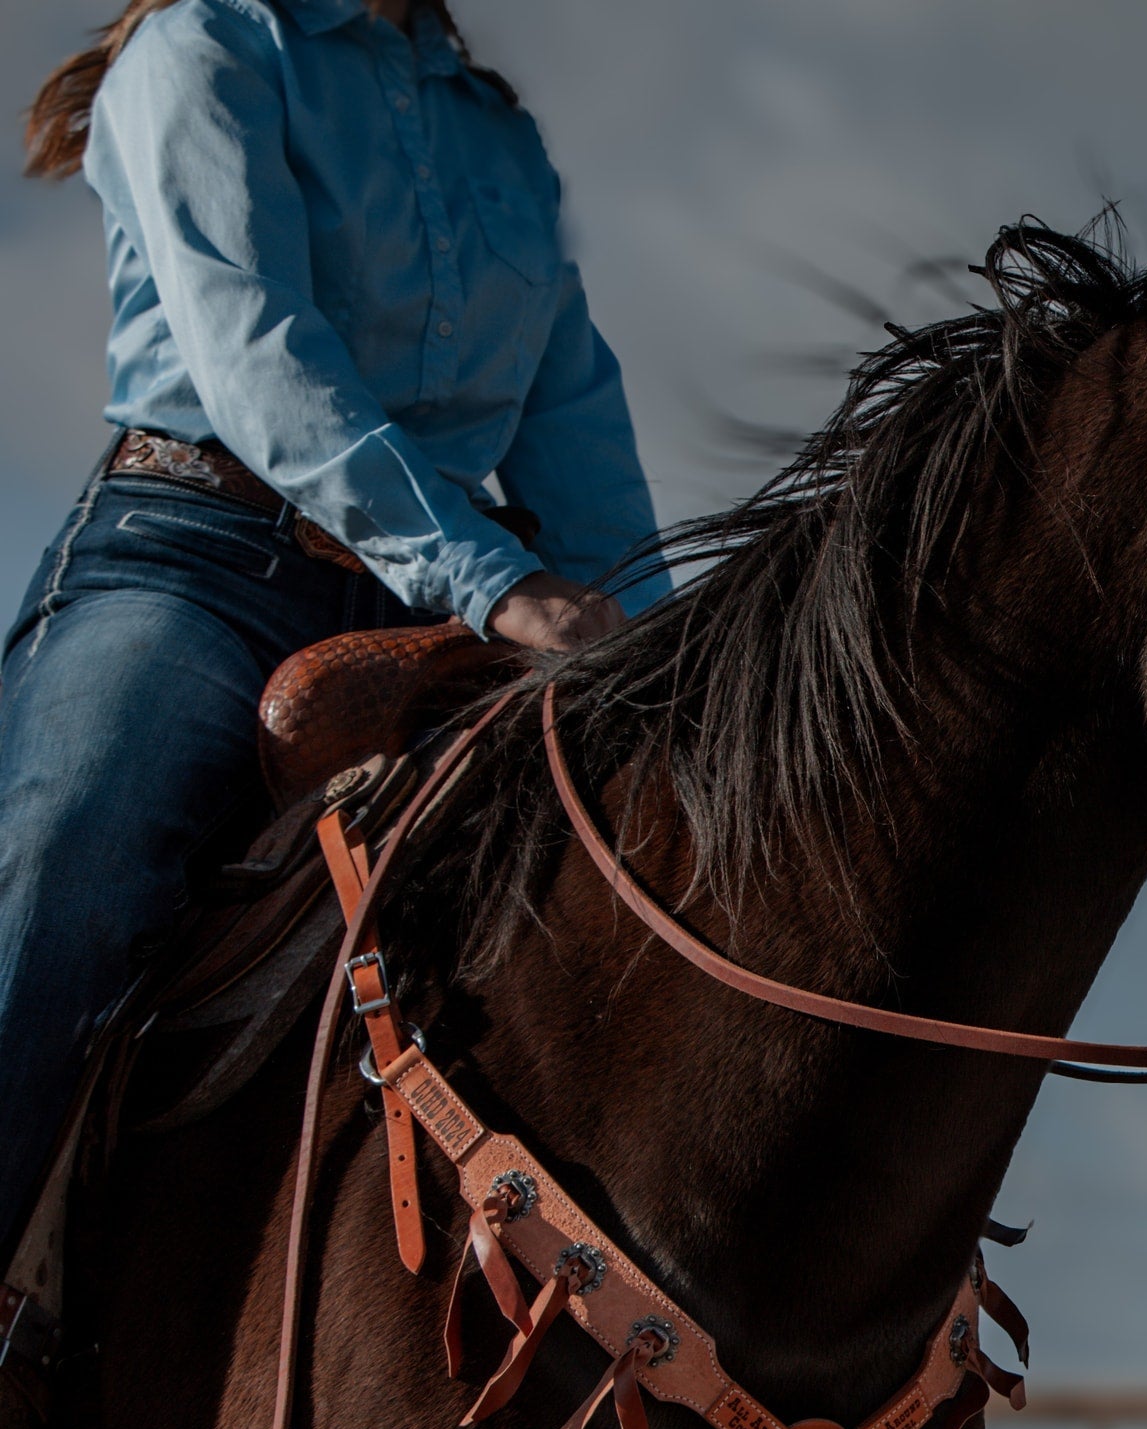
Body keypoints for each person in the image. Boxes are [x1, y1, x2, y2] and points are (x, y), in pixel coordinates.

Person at [0, 0, 664, 1243]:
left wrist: (662, 665)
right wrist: (494, 581)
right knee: (64, 858)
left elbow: (576, 421)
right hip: (198, 561)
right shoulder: (200, 51)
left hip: (453, 607)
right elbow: (259, 352)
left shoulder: (497, 136)